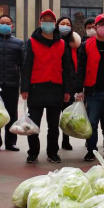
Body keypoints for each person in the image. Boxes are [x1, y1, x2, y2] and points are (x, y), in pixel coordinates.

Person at [20, 9, 74, 164]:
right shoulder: (32, 41)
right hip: (36, 88)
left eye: (51, 21)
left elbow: (66, 68)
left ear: (54, 23)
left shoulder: (61, 43)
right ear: (40, 22)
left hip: (55, 89)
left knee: (53, 126)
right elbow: (26, 66)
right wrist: (24, 88)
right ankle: (33, 153)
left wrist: (67, 90)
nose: (48, 23)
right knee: (33, 125)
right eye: (45, 20)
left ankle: (52, 153)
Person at [75, 13, 104, 162]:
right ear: (95, 27)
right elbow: (81, 68)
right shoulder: (85, 45)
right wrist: (79, 90)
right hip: (93, 92)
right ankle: (91, 150)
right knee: (92, 122)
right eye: (101, 24)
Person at [0, 14, 25, 153]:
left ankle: (11, 142)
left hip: (12, 84)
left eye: (8, 23)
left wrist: (23, 85)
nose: (5, 25)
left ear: (12, 26)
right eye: (2, 22)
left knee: (11, 114)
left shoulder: (18, 43)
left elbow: (23, 65)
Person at [57, 16, 82, 151]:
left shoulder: (75, 44)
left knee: (67, 115)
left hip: (71, 84)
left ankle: (65, 140)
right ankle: (54, 143)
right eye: (63, 23)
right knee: (55, 117)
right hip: (56, 83)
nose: (65, 26)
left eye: (68, 24)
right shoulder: (54, 41)